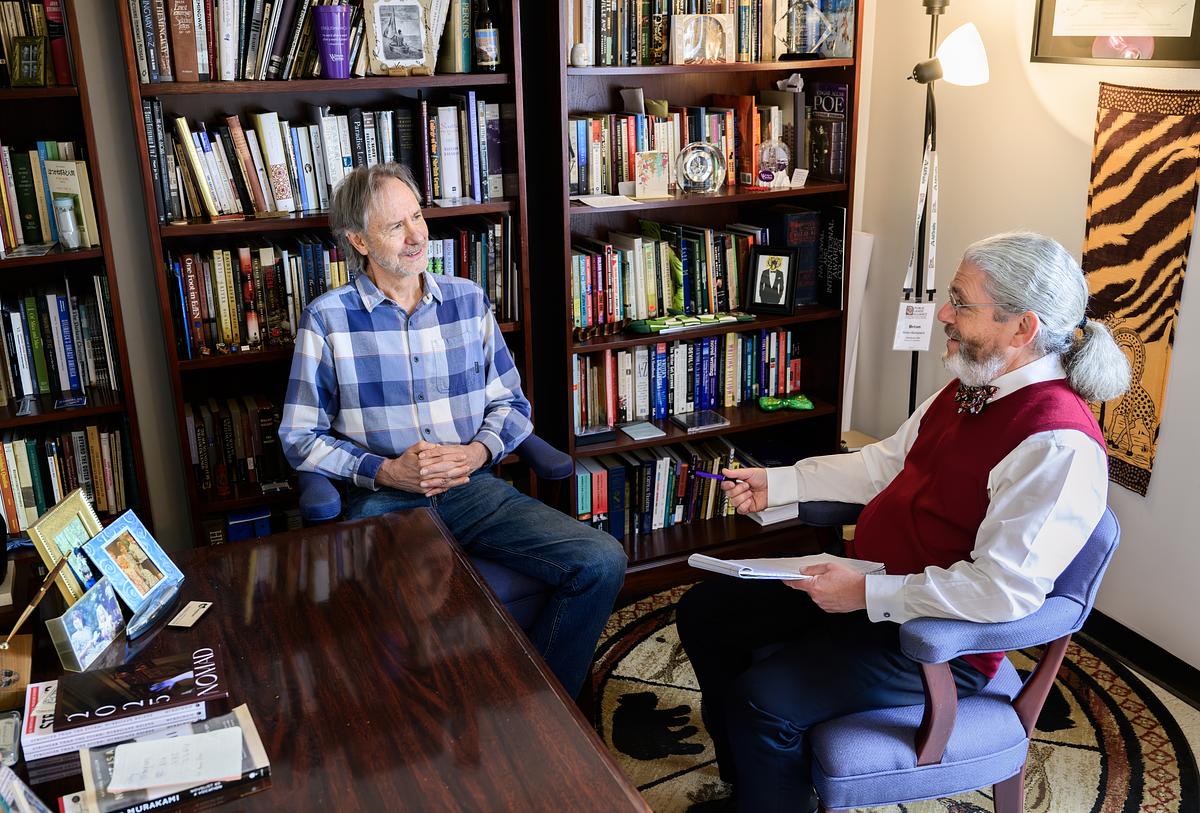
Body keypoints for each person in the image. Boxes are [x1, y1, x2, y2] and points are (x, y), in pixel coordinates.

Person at [676, 232, 1131, 812]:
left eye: (962, 303)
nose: (944, 313)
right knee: (706, 613)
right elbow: (884, 466)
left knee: (762, 698)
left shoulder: (1057, 443)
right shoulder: (972, 386)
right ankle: (761, 789)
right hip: (873, 586)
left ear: (1023, 328)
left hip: (937, 638)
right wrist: (781, 484)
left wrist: (866, 592)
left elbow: (1001, 591)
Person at [279, 163, 626, 698]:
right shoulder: (327, 320)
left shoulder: (466, 300)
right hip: (384, 503)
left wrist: (475, 453)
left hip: (473, 489)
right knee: (410, 609)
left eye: (417, 216)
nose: (417, 235)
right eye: (396, 226)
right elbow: (299, 435)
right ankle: (425, 727)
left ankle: (547, 705)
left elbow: (511, 403)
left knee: (602, 560)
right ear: (359, 242)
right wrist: (385, 470)